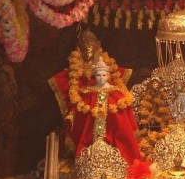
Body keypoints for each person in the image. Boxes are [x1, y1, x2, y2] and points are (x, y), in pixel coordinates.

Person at [49, 29, 141, 165]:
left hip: (115, 147)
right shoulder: (86, 93)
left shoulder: (116, 94)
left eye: (104, 75)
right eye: (98, 75)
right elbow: (78, 113)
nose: (101, 78)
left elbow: (125, 122)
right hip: (88, 145)